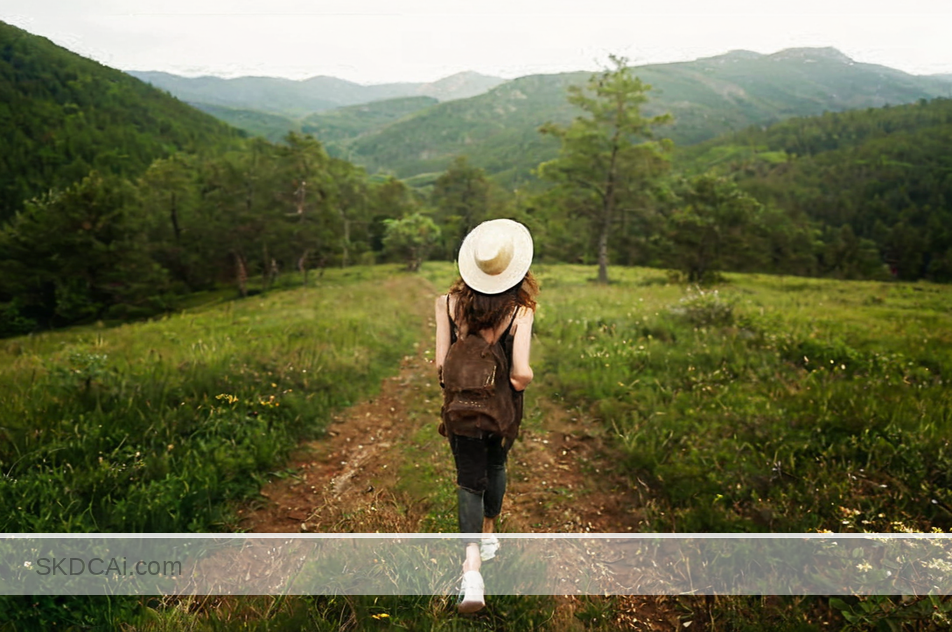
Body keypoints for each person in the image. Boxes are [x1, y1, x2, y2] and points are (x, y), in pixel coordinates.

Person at [434, 218, 538, 613]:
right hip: (502, 410)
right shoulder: (519, 310)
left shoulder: (446, 302)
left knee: (468, 480)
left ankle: (471, 572)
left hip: (459, 409)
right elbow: (520, 373)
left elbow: (441, 368)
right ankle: (490, 529)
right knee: (496, 464)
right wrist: (515, 384)